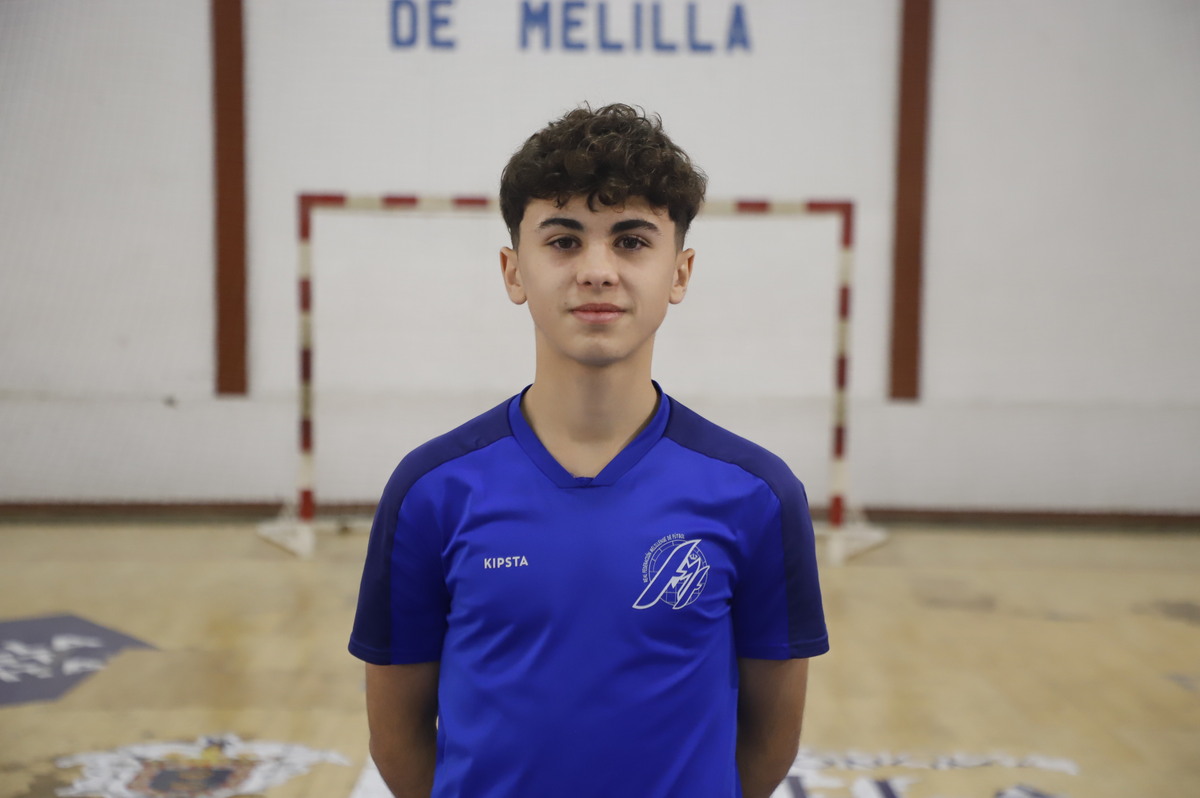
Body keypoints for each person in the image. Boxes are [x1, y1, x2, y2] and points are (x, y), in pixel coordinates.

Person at [349, 103, 828, 798]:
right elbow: (397, 738)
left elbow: (768, 742)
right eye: (564, 241)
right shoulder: (431, 491)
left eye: (631, 241)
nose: (597, 270)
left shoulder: (757, 495)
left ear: (680, 273)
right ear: (513, 271)